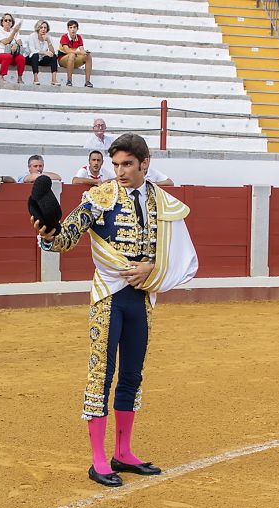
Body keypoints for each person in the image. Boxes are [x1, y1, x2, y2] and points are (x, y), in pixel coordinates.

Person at [33, 133, 198, 487]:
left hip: (141, 299)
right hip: (109, 297)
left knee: (132, 375)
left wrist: (151, 269)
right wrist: (48, 234)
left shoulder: (161, 201)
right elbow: (66, 237)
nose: (120, 172)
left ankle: (122, 452)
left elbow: (178, 254)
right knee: (101, 374)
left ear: (144, 164)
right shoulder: (100, 197)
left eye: (127, 164)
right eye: (116, 164)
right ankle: (97, 460)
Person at [58, 19, 92, 87]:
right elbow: (67, 51)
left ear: (77, 28)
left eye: (74, 27)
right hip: (62, 59)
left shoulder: (78, 37)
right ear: (68, 29)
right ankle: (69, 81)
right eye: (70, 27)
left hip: (72, 59)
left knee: (88, 56)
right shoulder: (64, 37)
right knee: (72, 55)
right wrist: (80, 52)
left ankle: (87, 81)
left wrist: (85, 52)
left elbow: (81, 49)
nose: (72, 29)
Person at [0, 13, 25, 84]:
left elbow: (20, 42)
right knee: (7, 56)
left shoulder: (15, 31)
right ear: (2, 22)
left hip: (12, 55)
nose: (8, 22)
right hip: (0, 54)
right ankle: (0, 77)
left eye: (10, 20)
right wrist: (14, 32)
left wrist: (16, 44)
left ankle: (20, 78)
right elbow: (6, 41)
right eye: (6, 20)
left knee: (21, 58)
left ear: (12, 22)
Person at [25, 19, 59, 86]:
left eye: (45, 27)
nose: (43, 29)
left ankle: (54, 79)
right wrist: (45, 53)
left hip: (41, 59)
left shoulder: (48, 37)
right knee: (35, 55)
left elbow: (52, 52)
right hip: (30, 58)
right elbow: (33, 50)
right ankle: (35, 78)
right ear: (38, 28)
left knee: (53, 56)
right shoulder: (32, 36)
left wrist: (48, 41)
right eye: (41, 27)